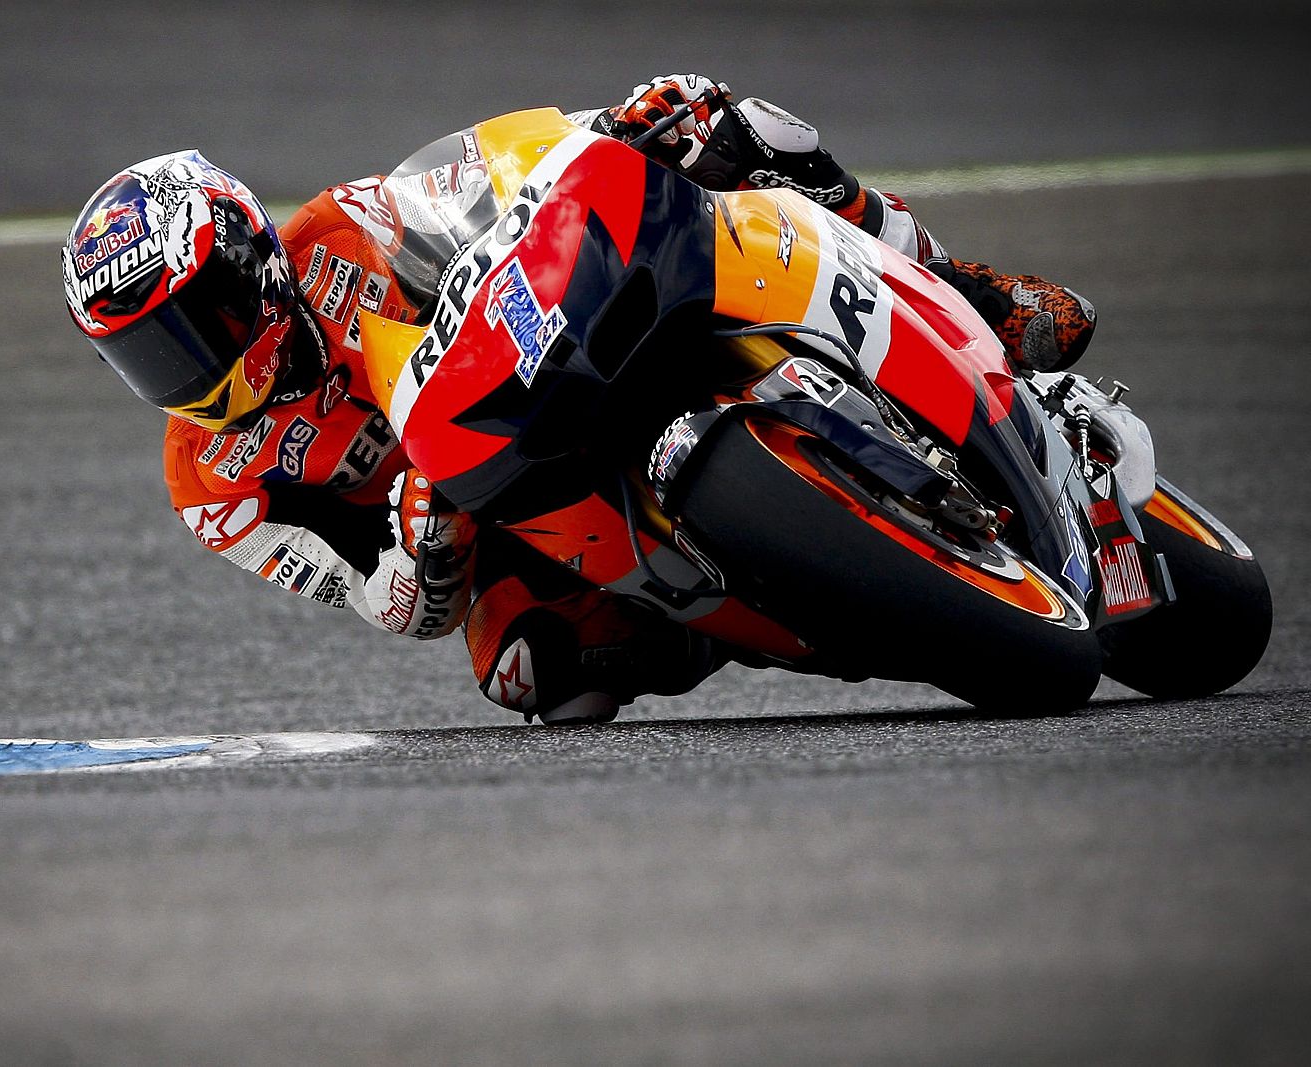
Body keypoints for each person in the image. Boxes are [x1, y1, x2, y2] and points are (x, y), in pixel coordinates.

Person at [62, 74, 1099, 725]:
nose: (187, 371)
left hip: (554, 347)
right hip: (495, 503)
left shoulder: (343, 229)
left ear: (251, 266)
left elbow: (491, 173)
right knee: (535, 674)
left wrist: (619, 125)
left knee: (736, 127)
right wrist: (420, 549)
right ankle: (764, 597)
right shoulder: (212, 483)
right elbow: (385, 605)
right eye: (146, 355)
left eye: (196, 324)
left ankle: (980, 297)